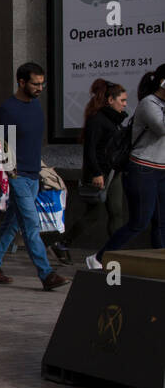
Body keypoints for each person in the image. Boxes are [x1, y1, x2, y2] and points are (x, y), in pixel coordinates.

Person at [0, 62, 69, 291]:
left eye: (42, 83)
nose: (40, 88)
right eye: (35, 83)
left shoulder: (36, 105)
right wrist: (10, 171)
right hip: (16, 176)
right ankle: (46, 274)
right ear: (21, 82)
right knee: (31, 224)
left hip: (33, 175)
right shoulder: (8, 109)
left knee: (12, 224)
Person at [93, 64, 165, 267]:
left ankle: (160, 263)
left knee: (162, 223)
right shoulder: (149, 103)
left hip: (162, 170)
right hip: (143, 169)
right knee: (139, 222)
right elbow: (161, 128)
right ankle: (99, 258)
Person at [62, 79, 128, 257]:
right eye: (122, 100)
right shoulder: (97, 119)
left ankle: (115, 252)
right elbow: (90, 149)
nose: (125, 104)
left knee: (117, 212)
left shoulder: (114, 120)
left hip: (114, 173)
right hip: (99, 174)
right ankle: (63, 243)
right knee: (94, 214)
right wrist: (97, 173)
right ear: (110, 100)